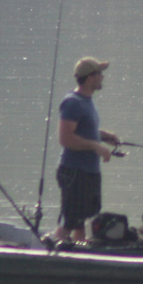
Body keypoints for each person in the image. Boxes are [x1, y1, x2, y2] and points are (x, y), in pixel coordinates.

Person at [52, 56, 122, 245]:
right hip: (74, 171)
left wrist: (104, 136)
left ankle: (78, 256)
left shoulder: (86, 101)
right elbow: (65, 138)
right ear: (90, 77)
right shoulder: (73, 102)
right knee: (70, 219)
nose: (102, 77)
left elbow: (83, 130)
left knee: (81, 221)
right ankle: (49, 256)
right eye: (100, 73)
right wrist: (96, 146)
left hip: (89, 172)